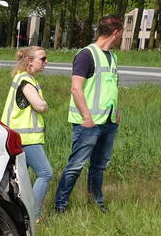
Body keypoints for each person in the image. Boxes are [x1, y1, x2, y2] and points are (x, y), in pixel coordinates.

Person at [52, 15, 123, 213]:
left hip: (108, 121)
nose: (120, 39)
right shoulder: (86, 55)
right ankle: (60, 206)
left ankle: (96, 204)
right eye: (121, 34)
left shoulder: (112, 57)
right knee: (75, 166)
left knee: (99, 166)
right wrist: (87, 117)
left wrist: (116, 112)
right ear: (115, 33)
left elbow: (112, 87)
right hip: (88, 123)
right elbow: (76, 88)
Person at [1, 46, 52, 220]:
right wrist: (44, 104)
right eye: (42, 59)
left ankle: (12, 214)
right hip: (27, 138)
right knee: (45, 173)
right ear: (30, 61)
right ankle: (33, 215)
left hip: (17, 137)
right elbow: (39, 105)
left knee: (16, 180)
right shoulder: (26, 81)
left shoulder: (22, 78)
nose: (46, 62)